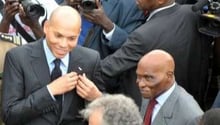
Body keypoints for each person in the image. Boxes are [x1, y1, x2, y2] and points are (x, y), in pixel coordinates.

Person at [1, 6, 104, 125]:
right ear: (46, 27)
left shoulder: (90, 59)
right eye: (58, 36)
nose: (63, 44)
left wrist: (96, 97)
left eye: (72, 38)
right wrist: (50, 91)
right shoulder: (18, 57)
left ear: (79, 33)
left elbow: (105, 109)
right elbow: (9, 115)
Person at [100, 0, 212, 108]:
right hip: (189, 103)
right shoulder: (193, 14)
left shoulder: (143, 36)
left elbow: (108, 68)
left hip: (146, 110)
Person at [137, 50, 203, 125]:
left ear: (169, 76)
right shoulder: (151, 91)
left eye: (148, 77)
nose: (141, 84)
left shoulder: (191, 116)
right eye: (138, 76)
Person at [65, 0, 145, 58]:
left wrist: (106, 24)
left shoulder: (131, 5)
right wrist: (67, 5)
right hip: (62, 57)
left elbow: (131, 48)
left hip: (94, 71)